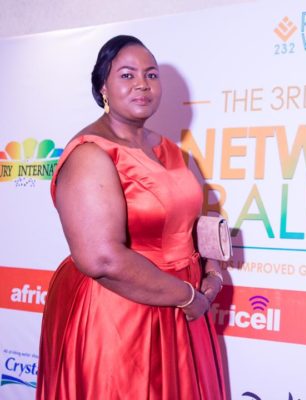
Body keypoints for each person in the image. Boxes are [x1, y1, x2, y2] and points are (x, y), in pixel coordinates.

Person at [36, 35, 226, 399]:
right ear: (103, 87)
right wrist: (187, 296)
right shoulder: (90, 154)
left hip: (182, 306)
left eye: (151, 74)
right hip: (120, 311)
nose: (142, 83)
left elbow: (195, 221)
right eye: (127, 75)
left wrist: (213, 272)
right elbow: (102, 259)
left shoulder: (170, 149)